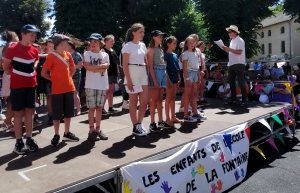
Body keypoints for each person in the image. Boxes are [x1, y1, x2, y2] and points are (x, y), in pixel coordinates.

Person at [2, 24, 40, 154]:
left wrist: (34, 68)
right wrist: (11, 71)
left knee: (29, 112)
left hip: (31, 85)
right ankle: (18, 142)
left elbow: (36, 60)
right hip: (17, 86)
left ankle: (29, 139)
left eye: (35, 35)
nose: (33, 37)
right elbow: (5, 65)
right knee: (18, 113)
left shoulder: (34, 50)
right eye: (31, 35)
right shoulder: (12, 49)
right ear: (22, 34)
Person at [41, 34, 79, 146]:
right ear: (61, 43)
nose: (69, 44)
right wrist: (54, 80)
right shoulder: (51, 56)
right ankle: (56, 134)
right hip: (57, 89)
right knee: (57, 113)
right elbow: (43, 73)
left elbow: (73, 69)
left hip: (69, 87)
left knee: (68, 112)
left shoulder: (68, 55)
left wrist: (67, 79)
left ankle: (67, 132)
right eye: (67, 42)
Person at [122, 23, 150, 136]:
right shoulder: (127, 46)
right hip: (132, 71)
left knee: (144, 101)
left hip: (142, 71)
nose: (143, 34)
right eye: (140, 32)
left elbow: (146, 59)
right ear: (133, 32)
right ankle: (135, 126)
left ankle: (139, 124)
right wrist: (128, 80)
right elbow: (124, 64)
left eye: (143, 32)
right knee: (133, 101)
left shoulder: (142, 45)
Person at [84, 33, 109, 141]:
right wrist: (100, 67)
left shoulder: (105, 55)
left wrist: (93, 68)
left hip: (102, 84)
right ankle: (91, 129)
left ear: (100, 43)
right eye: (91, 41)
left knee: (99, 108)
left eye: (95, 41)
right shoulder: (87, 53)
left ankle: (98, 129)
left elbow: (105, 68)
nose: (93, 44)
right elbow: (88, 67)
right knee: (91, 108)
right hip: (90, 84)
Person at [147, 30, 171, 132]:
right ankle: (152, 122)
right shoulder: (150, 50)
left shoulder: (161, 50)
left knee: (160, 99)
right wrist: (154, 80)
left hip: (162, 72)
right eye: (159, 36)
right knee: (154, 99)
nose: (161, 38)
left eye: (162, 36)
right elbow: (150, 66)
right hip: (155, 72)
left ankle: (160, 121)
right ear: (154, 37)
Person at [182, 36, 206, 122]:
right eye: (190, 43)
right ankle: (185, 115)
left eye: (193, 43)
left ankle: (195, 113)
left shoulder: (196, 53)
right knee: (187, 94)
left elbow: (197, 66)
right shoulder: (185, 54)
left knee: (194, 94)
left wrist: (199, 76)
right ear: (186, 44)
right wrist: (187, 78)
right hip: (189, 73)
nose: (192, 44)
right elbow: (184, 68)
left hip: (195, 73)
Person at [222, 25, 247, 106]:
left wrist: (228, 49)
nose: (228, 33)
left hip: (239, 63)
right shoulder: (232, 41)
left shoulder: (240, 40)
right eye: (228, 32)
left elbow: (239, 52)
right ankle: (233, 99)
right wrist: (226, 49)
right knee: (231, 82)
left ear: (235, 32)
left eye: (230, 32)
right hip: (231, 63)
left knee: (241, 82)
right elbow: (231, 52)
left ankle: (244, 100)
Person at [0, 30, 18, 132]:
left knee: (11, 100)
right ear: (13, 37)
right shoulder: (14, 45)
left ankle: (8, 121)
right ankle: (8, 121)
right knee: (13, 99)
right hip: (13, 74)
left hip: (7, 74)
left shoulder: (4, 48)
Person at [163, 36, 183, 126]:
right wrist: (168, 80)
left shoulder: (175, 55)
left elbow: (177, 68)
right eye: (174, 43)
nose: (176, 45)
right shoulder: (165, 55)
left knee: (173, 98)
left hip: (175, 76)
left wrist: (179, 77)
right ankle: (167, 118)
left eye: (176, 43)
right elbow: (165, 69)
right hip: (169, 77)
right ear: (168, 44)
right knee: (169, 97)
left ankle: (173, 117)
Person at [39, 39, 54, 124]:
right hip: (48, 79)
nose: (51, 48)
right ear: (45, 46)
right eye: (49, 46)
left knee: (56, 97)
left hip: (56, 79)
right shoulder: (43, 55)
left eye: (52, 46)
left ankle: (57, 114)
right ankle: (50, 114)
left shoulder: (55, 54)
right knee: (49, 97)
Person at [103, 35, 119, 114]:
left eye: (113, 40)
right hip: (107, 73)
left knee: (111, 90)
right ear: (106, 41)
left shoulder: (113, 51)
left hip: (114, 73)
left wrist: (118, 72)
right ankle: (102, 108)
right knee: (107, 90)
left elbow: (115, 62)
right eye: (111, 40)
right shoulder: (103, 51)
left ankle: (110, 107)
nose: (113, 42)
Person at [67, 39, 83, 116]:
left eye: (67, 45)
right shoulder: (65, 55)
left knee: (75, 92)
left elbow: (80, 65)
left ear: (71, 46)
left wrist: (71, 67)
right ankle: (70, 110)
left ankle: (78, 109)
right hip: (67, 76)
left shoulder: (77, 55)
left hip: (76, 75)